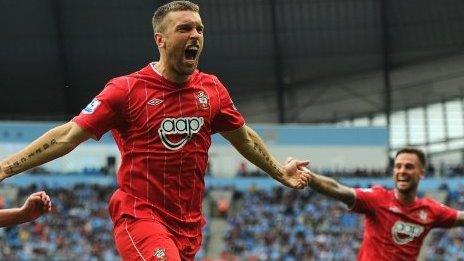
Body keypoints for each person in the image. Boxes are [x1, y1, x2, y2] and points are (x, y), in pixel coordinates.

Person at [0, 1, 310, 260]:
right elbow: (67, 136)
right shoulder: (126, 90)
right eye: (184, 28)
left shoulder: (212, 90)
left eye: (199, 28)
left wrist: (280, 173)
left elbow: (244, 138)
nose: (195, 35)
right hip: (139, 216)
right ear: (160, 40)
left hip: (188, 226)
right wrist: (4, 168)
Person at [297, 147, 464, 260]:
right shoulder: (377, 199)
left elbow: (460, 217)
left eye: (409, 166)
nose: (402, 171)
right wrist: (307, 176)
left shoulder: (430, 210)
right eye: (398, 166)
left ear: (421, 173)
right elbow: (338, 189)